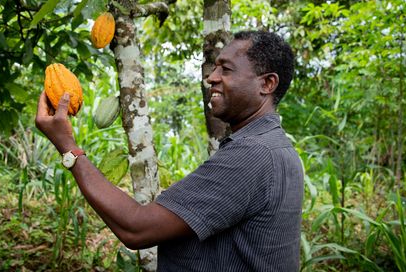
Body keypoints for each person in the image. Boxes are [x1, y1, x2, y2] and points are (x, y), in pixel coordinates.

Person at [35, 30, 303, 271]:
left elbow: (136, 228)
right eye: (214, 67)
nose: (212, 77)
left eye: (227, 69)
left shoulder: (252, 155)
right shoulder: (277, 148)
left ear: (267, 84)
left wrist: (68, 148)